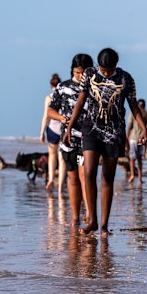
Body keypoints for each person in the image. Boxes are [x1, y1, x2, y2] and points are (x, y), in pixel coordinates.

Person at [64, 47, 147, 236]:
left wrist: (143, 128)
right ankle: (92, 219)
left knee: (108, 178)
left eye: (109, 70)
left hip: (114, 133)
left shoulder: (126, 79)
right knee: (88, 171)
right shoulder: (89, 74)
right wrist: (70, 127)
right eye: (103, 69)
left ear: (116, 66)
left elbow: (133, 105)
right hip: (91, 129)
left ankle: (103, 225)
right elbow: (81, 100)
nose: (106, 73)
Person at [48, 54, 94, 226]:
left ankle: (90, 214)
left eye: (83, 73)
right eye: (77, 72)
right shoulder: (63, 87)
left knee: (85, 176)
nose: (80, 76)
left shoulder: (95, 88)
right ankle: (75, 217)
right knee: (72, 177)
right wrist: (62, 119)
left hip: (87, 138)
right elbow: (51, 111)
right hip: (67, 139)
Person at [40, 73, 66, 195]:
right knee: (62, 159)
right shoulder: (65, 95)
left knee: (52, 157)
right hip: (63, 130)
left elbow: (46, 116)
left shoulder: (49, 97)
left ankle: (50, 179)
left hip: (51, 130)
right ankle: (60, 186)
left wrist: (41, 132)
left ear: (51, 85)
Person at [126, 99, 147, 184]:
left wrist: (126, 138)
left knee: (132, 158)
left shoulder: (133, 113)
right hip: (142, 139)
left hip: (133, 138)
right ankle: (139, 178)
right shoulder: (146, 114)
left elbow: (129, 127)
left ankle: (132, 175)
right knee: (140, 159)